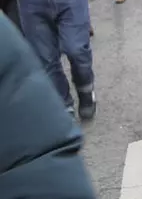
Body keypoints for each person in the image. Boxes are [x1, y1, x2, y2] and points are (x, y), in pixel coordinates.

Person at [0, 15, 96, 198]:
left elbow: (41, 167)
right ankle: (65, 106)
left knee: (76, 50)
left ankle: (85, 91)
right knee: (47, 60)